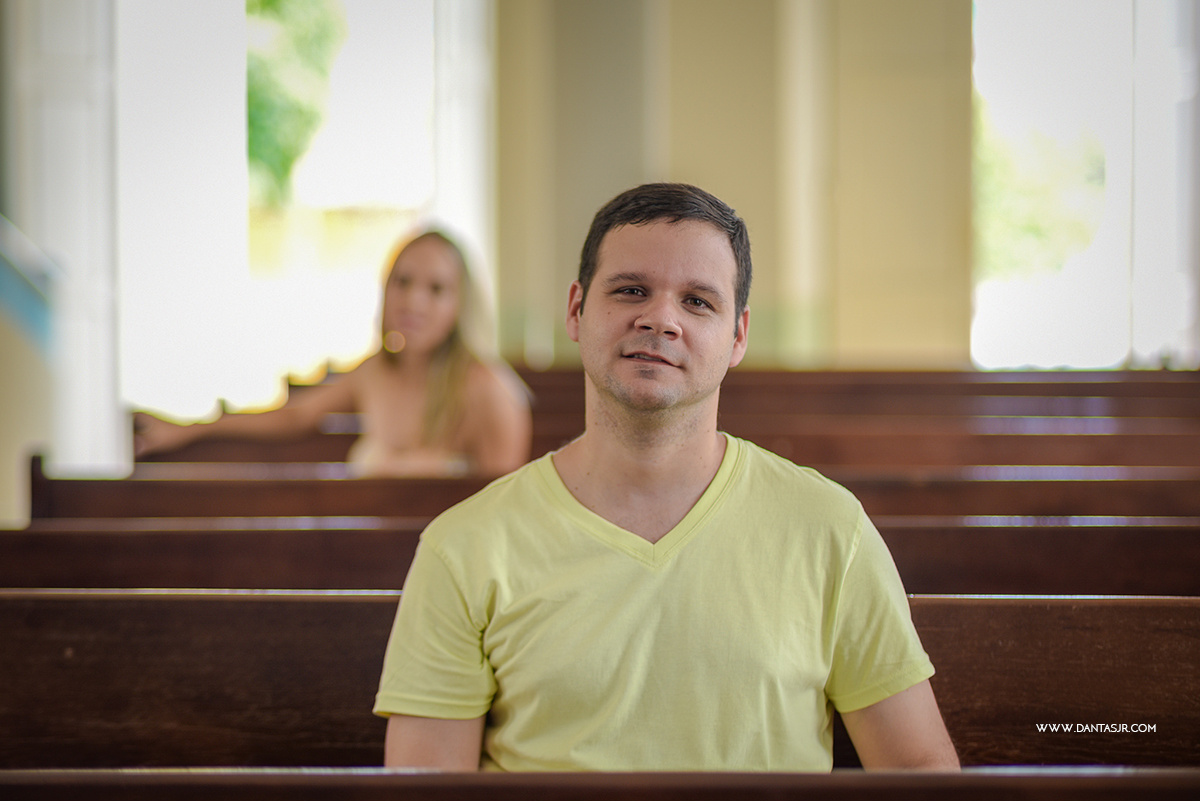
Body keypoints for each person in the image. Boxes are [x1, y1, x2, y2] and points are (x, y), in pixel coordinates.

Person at [373, 184, 960, 771]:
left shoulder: (830, 529)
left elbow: (922, 777)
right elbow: (426, 795)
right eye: (631, 290)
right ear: (576, 310)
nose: (660, 318)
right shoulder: (464, 546)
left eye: (699, 302)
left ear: (738, 336)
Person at [133, 230, 531, 478]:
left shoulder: (489, 391)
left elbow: (502, 513)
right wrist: (191, 429)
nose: (414, 301)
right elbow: (295, 415)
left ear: (461, 305)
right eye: (402, 282)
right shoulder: (375, 370)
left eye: (436, 289)